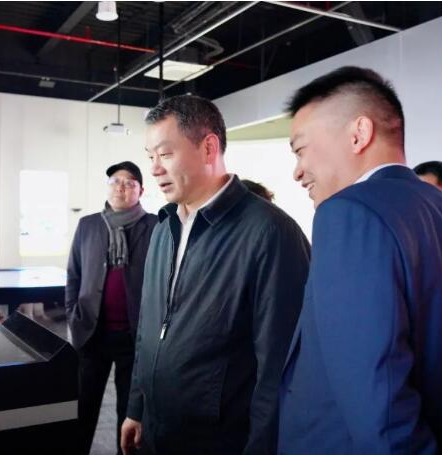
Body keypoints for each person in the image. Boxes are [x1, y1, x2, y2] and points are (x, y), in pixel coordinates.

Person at [278, 66, 442, 454]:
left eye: (301, 150)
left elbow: (381, 404)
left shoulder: (349, 213)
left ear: (358, 133)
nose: (297, 171)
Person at [120, 95, 310, 454]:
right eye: (150, 157)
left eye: (165, 154)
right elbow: (149, 328)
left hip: (219, 441)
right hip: (159, 431)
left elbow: (280, 366)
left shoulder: (270, 232)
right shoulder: (163, 228)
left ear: (208, 148)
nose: (155, 169)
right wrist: (136, 407)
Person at [65, 161, 157, 455]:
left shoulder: (155, 226)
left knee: (129, 411)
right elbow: (74, 274)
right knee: (83, 406)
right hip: (92, 333)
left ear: (141, 190)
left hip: (135, 336)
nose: (121, 187)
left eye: (130, 183)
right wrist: (73, 314)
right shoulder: (88, 225)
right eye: (116, 181)